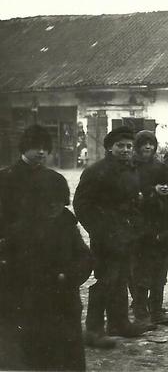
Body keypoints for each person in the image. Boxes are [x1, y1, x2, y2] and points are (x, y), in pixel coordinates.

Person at [0, 125, 92, 371]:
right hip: (15, 254)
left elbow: (80, 251)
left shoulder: (52, 179)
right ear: (23, 148)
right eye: (36, 148)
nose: (41, 153)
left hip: (48, 255)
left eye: (45, 149)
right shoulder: (6, 177)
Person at [73, 126, 147, 349]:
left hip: (126, 235)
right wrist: (98, 230)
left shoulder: (131, 170)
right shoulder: (96, 171)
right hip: (105, 236)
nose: (125, 150)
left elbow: (133, 201)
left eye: (128, 146)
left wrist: (136, 226)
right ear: (109, 147)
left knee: (122, 278)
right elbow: (82, 205)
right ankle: (94, 330)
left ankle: (120, 323)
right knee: (105, 280)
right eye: (120, 146)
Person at [130, 131, 168, 327]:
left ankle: (157, 309)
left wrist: (164, 191)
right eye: (144, 144)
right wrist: (150, 193)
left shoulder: (161, 167)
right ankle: (141, 311)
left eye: (151, 144)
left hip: (161, 226)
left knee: (160, 274)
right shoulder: (131, 167)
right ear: (138, 146)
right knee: (141, 273)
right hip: (141, 228)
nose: (148, 147)